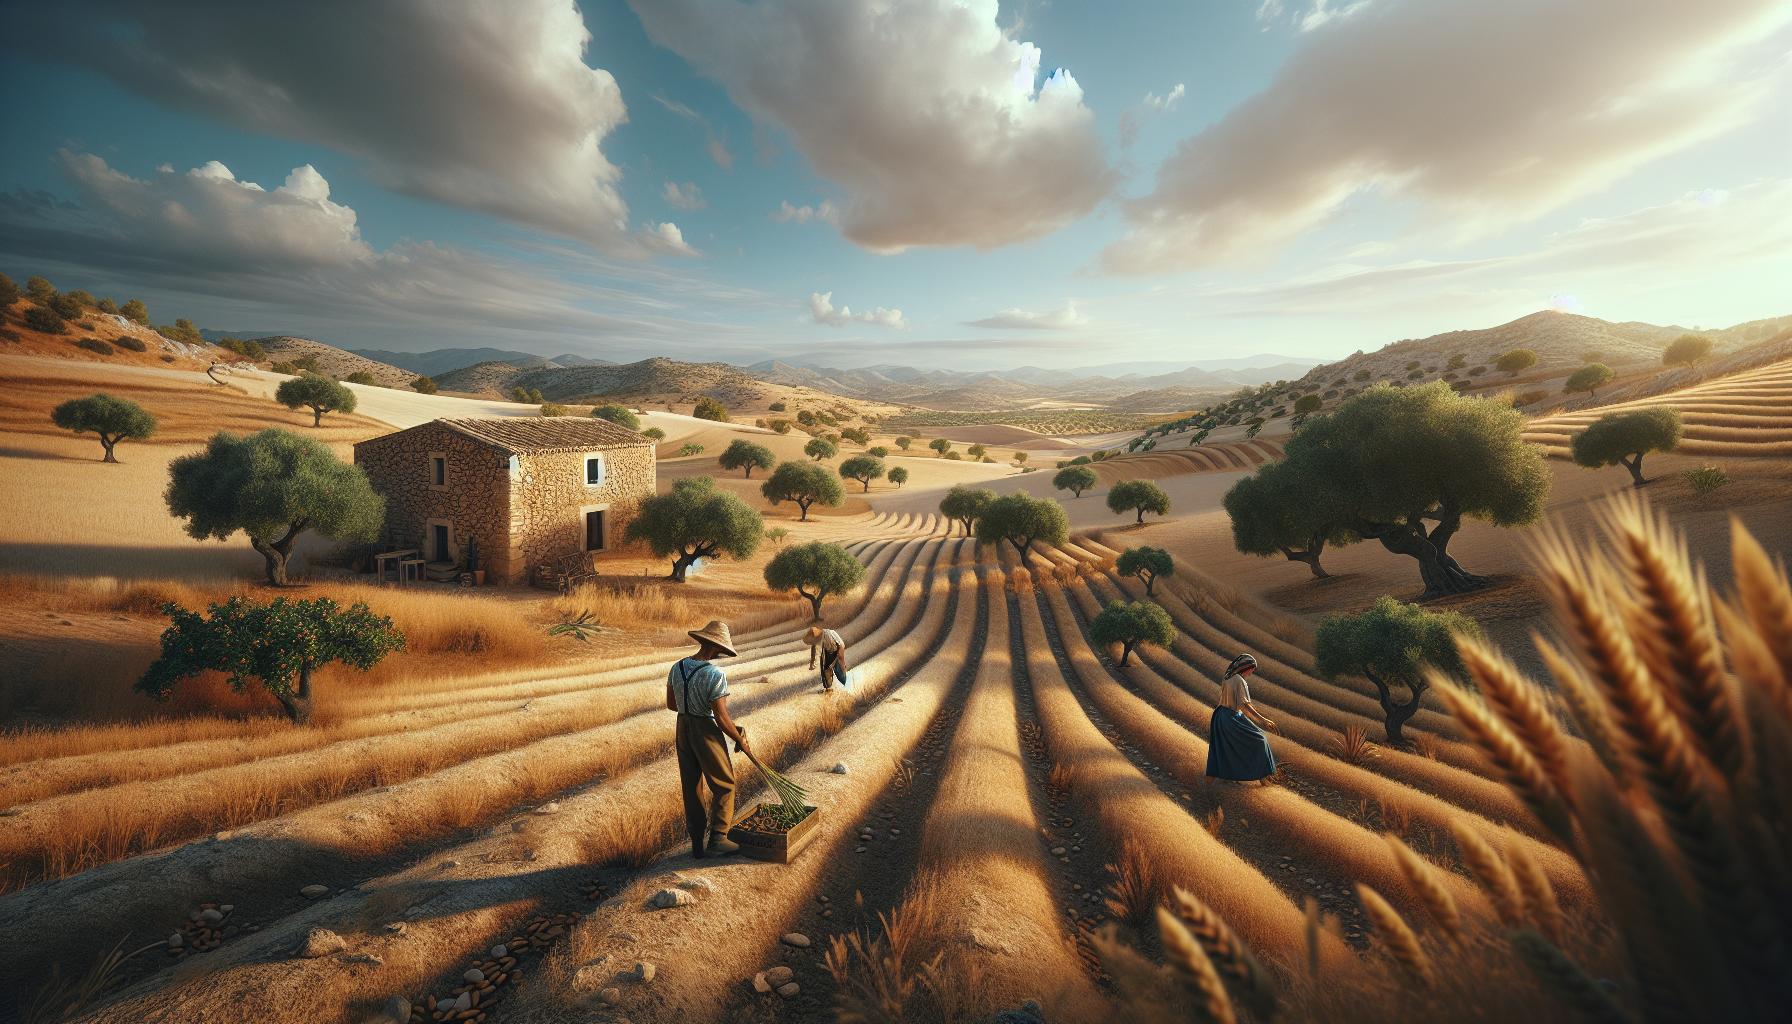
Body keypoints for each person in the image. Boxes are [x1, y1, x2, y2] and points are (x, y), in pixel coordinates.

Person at [667, 620, 752, 858]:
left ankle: (696, 843)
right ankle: (717, 838)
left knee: (692, 786)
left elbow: (671, 704)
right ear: (716, 648)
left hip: (682, 727)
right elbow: (721, 718)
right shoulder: (714, 674)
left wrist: (692, 706)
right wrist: (740, 740)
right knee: (725, 784)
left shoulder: (678, 667)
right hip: (704, 729)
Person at [1206, 653, 1279, 784]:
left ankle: (1213, 781)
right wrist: (1263, 720)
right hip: (1231, 717)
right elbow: (1244, 705)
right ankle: (1263, 777)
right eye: (1252, 669)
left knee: (1224, 748)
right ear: (1246, 667)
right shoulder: (1240, 680)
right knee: (1260, 739)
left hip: (1220, 716)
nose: (1252, 672)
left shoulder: (1228, 677)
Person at [803, 624, 850, 691]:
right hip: (826, 653)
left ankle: (846, 686)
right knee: (825, 670)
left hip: (836, 652)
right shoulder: (816, 640)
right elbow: (814, 652)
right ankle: (829, 688)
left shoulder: (830, 633)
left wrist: (840, 657)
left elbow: (841, 645)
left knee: (840, 671)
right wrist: (813, 663)